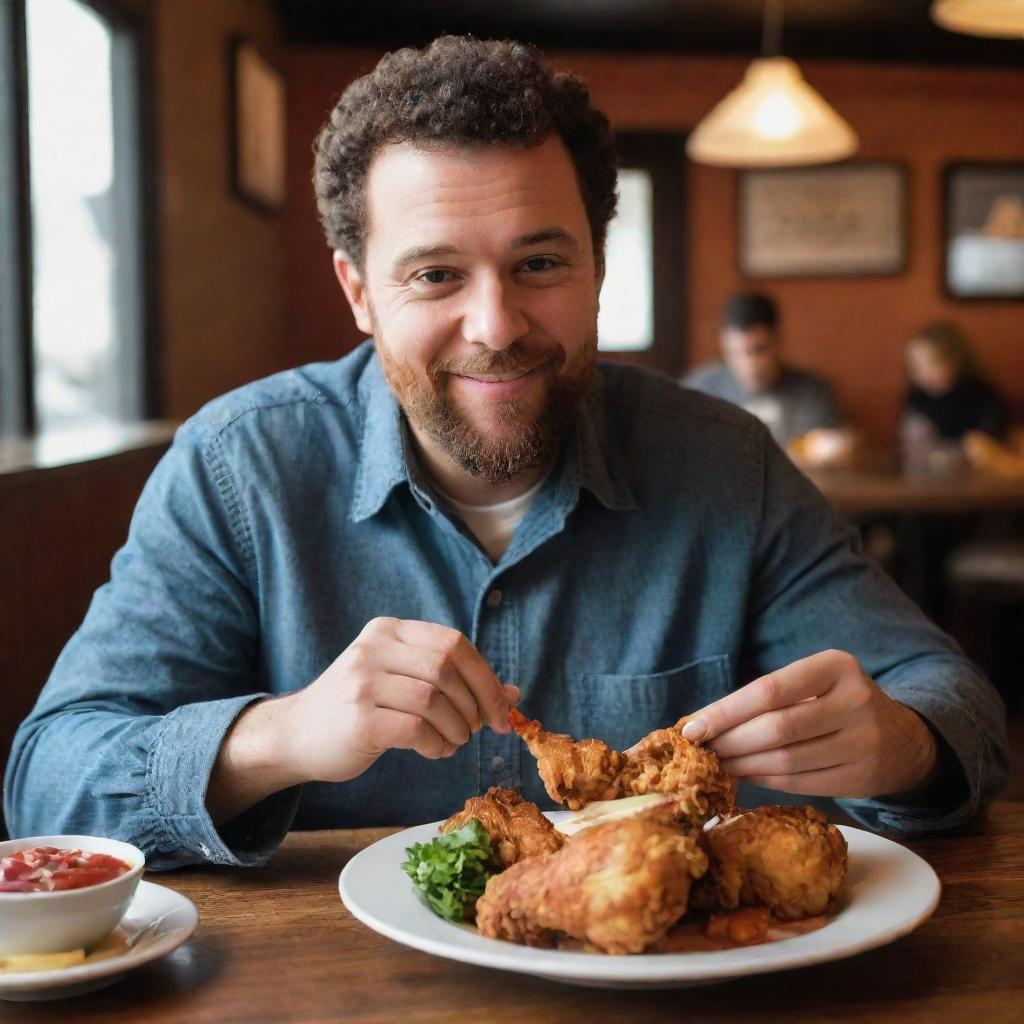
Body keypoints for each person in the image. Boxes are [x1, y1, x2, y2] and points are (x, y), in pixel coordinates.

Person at [4, 37, 1007, 870]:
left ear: (597, 264)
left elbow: (952, 701)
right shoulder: (238, 467)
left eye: (539, 263)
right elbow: (48, 779)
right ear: (358, 292)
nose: (495, 325)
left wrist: (896, 742)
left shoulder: (723, 464)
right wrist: (281, 735)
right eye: (436, 274)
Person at [684, 292, 855, 468]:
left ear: (778, 341)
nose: (748, 363)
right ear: (723, 345)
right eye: (736, 352)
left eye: (758, 350)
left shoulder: (811, 393)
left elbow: (833, 452)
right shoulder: (700, 390)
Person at [901, 321, 1010, 476]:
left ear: (955, 360)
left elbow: (994, 435)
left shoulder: (980, 393)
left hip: (978, 475)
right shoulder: (916, 399)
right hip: (928, 477)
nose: (926, 373)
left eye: (934, 362)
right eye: (917, 367)